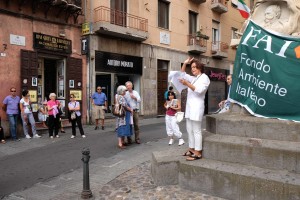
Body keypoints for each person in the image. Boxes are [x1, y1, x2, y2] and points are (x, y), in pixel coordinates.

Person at [179, 57, 210, 161]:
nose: (192, 69)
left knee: (196, 130)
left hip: (197, 107)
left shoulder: (204, 77)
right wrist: (185, 63)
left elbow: (200, 90)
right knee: (189, 129)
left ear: (199, 67)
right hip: (189, 107)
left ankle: (198, 152)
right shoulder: (195, 78)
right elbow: (183, 74)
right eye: (191, 67)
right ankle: (191, 149)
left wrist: (187, 84)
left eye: (194, 67)